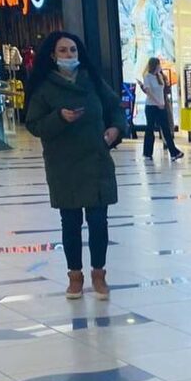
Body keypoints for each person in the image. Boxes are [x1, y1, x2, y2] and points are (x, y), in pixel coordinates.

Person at [25, 31, 126, 300]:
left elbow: (115, 107)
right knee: (70, 223)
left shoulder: (92, 81)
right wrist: (60, 117)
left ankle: (99, 274)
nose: (69, 55)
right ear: (52, 55)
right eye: (63, 50)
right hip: (64, 166)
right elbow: (34, 124)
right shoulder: (45, 88)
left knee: (98, 221)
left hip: (96, 161)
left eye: (72, 50)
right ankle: (75, 276)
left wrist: (115, 129)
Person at [140, 57, 183, 161]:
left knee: (166, 129)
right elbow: (149, 92)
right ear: (155, 65)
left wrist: (162, 103)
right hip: (151, 106)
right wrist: (157, 103)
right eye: (158, 64)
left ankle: (174, 152)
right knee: (150, 129)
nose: (160, 66)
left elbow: (162, 90)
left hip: (161, 106)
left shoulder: (159, 76)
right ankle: (147, 153)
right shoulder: (148, 77)